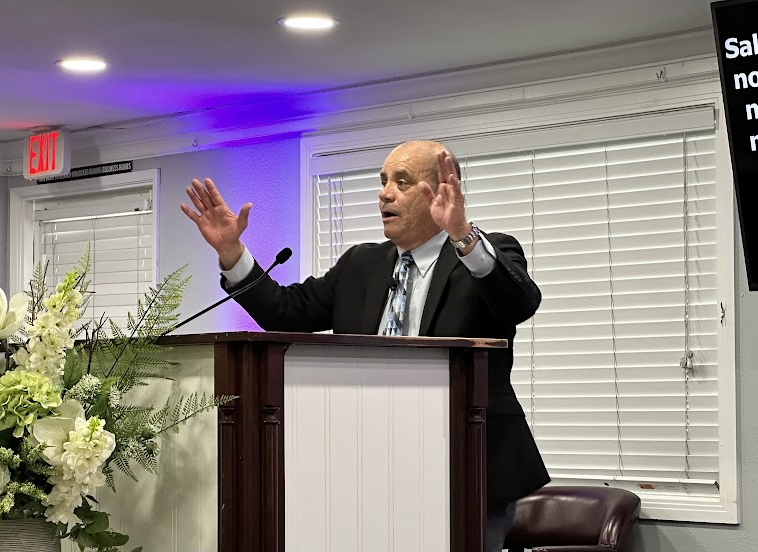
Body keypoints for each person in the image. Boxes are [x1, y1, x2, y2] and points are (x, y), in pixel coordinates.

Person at [181, 140, 549, 552]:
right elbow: (286, 313)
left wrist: (462, 235)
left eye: (402, 182)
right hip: (369, 464)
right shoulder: (361, 264)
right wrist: (231, 252)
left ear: (441, 190)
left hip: (467, 466)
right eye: (383, 181)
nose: (384, 192)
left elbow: (519, 303)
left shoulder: (484, 254)